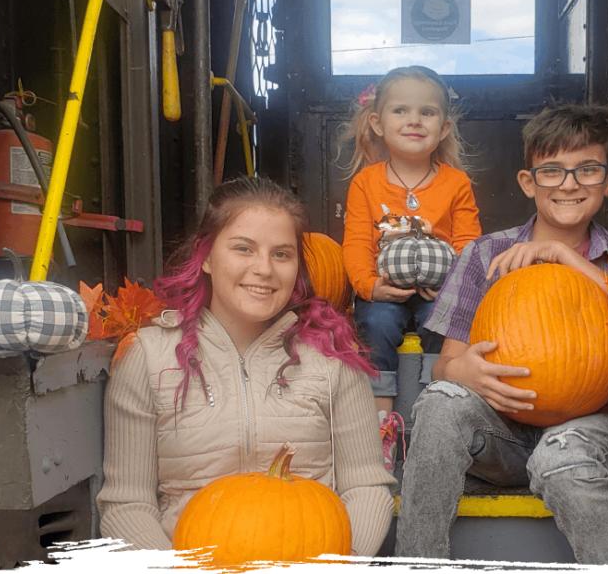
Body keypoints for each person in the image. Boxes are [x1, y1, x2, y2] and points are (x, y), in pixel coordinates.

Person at [395, 103, 608, 567]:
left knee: (561, 457)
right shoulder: (486, 254)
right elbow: (447, 364)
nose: (568, 184)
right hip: (505, 430)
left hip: (594, 430)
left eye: (587, 170)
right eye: (552, 171)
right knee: (441, 401)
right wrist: (463, 370)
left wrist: (567, 259)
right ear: (529, 182)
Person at [97, 176, 396, 559]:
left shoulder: (332, 359)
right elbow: (127, 504)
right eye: (243, 248)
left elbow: (366, 487)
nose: (264, 269)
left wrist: (345, 561)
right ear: (205, 256)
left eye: (281, 254)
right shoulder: (147, 357)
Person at [340, 66, 482, 469]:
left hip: (438, 288)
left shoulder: (456, 183)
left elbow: (468, 242)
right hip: (384, 287)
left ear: (444, 127)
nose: (414, 120)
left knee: (448, 326)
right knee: (379, 324)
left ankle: (436, 416)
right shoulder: (366, 183)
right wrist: (369, 286)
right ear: (378, 123)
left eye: (427, 112)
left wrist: (455, 288)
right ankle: (381, 424)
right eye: (400, 110)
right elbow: (355, 242)